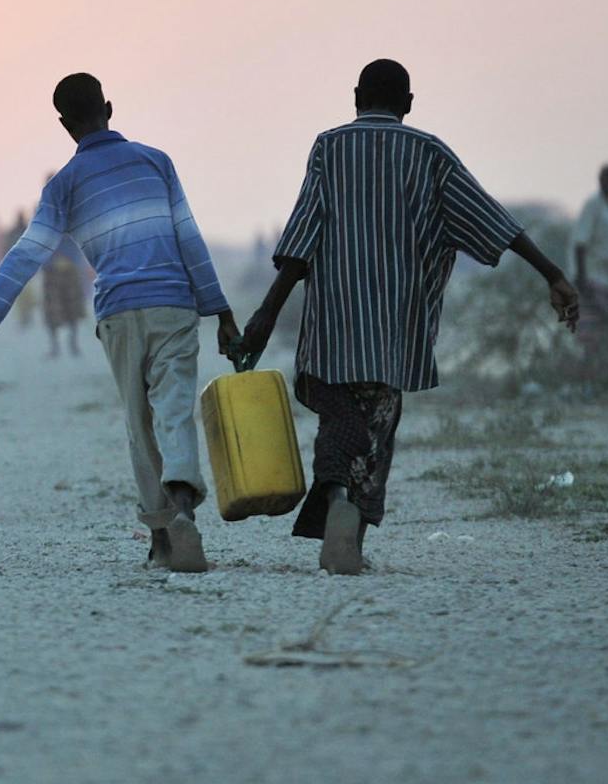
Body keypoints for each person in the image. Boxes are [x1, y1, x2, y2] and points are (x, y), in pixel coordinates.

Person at [237, 59, 580, 574]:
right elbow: (492, 220)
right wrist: (553, 274)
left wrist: (265, 315)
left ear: (355, 95)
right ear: (409, 103)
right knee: (374, 431)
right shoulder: (430, 153)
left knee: (338, 422)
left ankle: (335, 500)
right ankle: (348, 525)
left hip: (332, 330)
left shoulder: (329, 147)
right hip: (394, 333)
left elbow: (300, 240)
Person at [0, 74, 238, 573]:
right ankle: (185, 505)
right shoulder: (157, 161)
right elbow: (190, 240)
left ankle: (162, 536)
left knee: (137, 420)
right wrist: (223, 313)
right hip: (174, 302)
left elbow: (26, 255)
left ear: (64, 125)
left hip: (120, 310)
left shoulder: (64, 185)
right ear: (109, 106)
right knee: (173, 408)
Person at [571, 164, 608, 337]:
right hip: (591, 279)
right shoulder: (593, 205)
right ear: (600, 180)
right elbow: (580, 242)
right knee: (589, 335)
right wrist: (582, 279)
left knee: (603, 336)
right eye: (606, 178)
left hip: (605, 280)